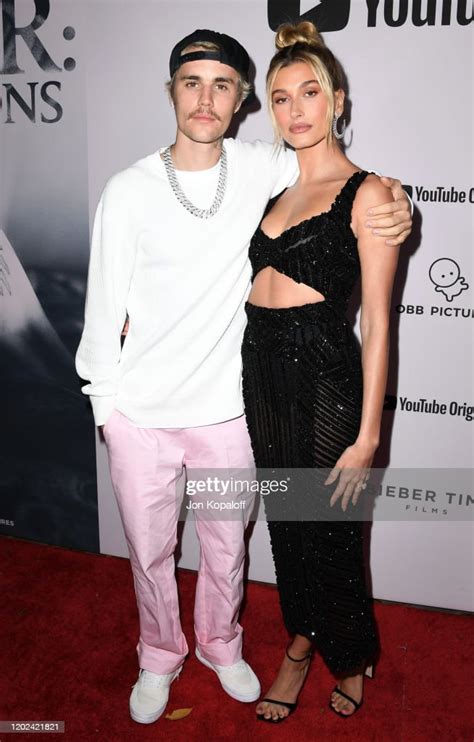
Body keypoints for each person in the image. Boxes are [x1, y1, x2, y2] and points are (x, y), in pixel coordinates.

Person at [75, 28, 411, 725]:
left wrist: (395, 198)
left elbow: (366, 258)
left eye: (223, 84)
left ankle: (251, 646)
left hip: (258, 397)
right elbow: (103, 306)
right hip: (181, 401)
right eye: (192, 82)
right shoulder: (139, 189)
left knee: (276, 539)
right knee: (187, 548)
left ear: (239, 102)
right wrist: (107, 408)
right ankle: (164, 655)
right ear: (171, 91)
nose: (206, 98)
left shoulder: (268, 169)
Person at [241, 21, 401, 723]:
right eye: (280, 97)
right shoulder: (271, 192)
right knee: (286, 518)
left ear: (338, 99)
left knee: (331, 526)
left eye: (310, 92)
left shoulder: (369, 194)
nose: (296, 108)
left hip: (324, 369)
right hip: (262, 369)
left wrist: (368, 438)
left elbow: (378, 324)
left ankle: (351, 651)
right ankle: (301, 641)